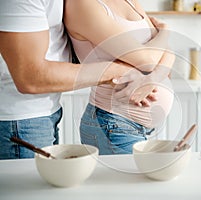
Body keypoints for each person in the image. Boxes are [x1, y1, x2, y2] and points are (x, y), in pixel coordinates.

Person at [0, 0, 155, 159]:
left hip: (45, 112)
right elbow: (30, 78)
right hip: (20, 119)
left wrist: (161, 43)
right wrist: (127, 71)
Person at [64, 0, 175, 154]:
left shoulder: (130, 1)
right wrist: (165, 32)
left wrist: (154, 77)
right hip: (113, 124)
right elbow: (148, 60)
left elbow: (168, 51)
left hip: (131, 126)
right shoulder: (82, 4)